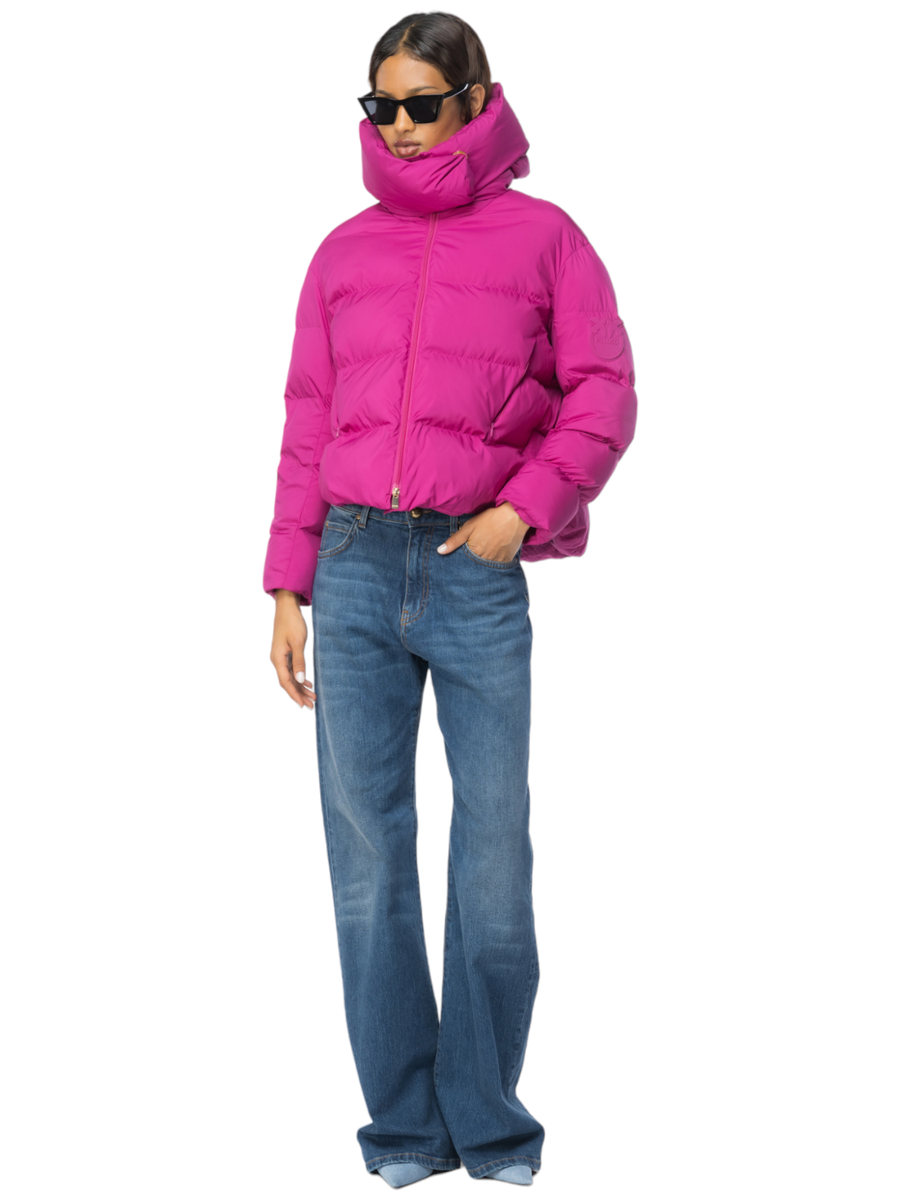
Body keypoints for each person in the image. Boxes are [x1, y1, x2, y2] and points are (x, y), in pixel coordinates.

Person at [264, 12, 637, 1188]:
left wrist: (523, 509)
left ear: (478, 100)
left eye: (423, 103)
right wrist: (287, 582)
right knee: (368, 858)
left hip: (475, 570)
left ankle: (488, 1122)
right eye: (382, 105)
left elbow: (605, 391)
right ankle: (405, 1130)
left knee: (491, 856)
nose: (402, 127)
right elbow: (309, 421)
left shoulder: (546, 239)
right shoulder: (341, 253)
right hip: (353, 567)